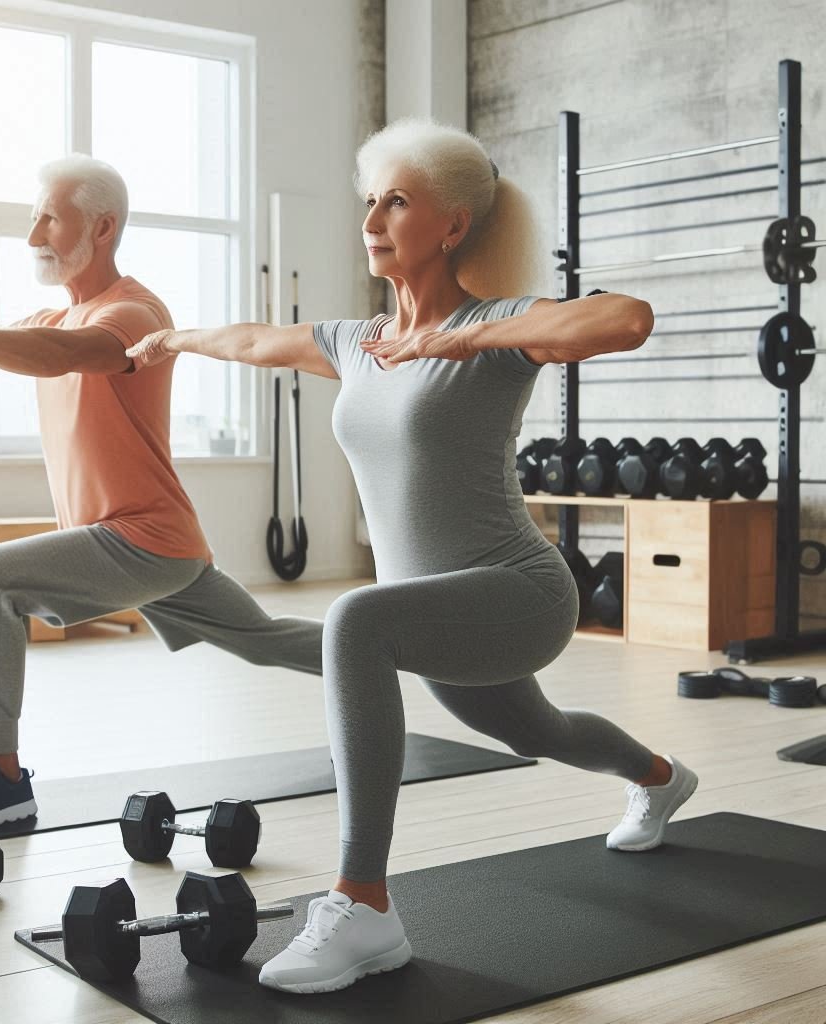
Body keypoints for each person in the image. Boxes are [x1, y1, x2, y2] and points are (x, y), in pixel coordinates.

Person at [124, 119, 699, 995]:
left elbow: (628, 319)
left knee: (353, 618)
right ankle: (659, 778)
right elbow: (252, 340)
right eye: (369, 200)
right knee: (534, 730)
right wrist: (175, 340)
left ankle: (365, 906)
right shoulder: (358, 343)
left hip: (521, 590)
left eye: (398, 200)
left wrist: (461, 340)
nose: (374, 216)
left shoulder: (499, 324)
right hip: (438, 609)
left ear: (454, 225)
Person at [0, 155, 322, 835]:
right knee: (263, 640)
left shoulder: (134, 311)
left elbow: (64, 354)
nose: (32, 236)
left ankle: (1, 781)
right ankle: (396, 649)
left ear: (102, 226)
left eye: (50, 217)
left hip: (138, 536)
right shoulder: (55, 313)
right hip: (162, 544)